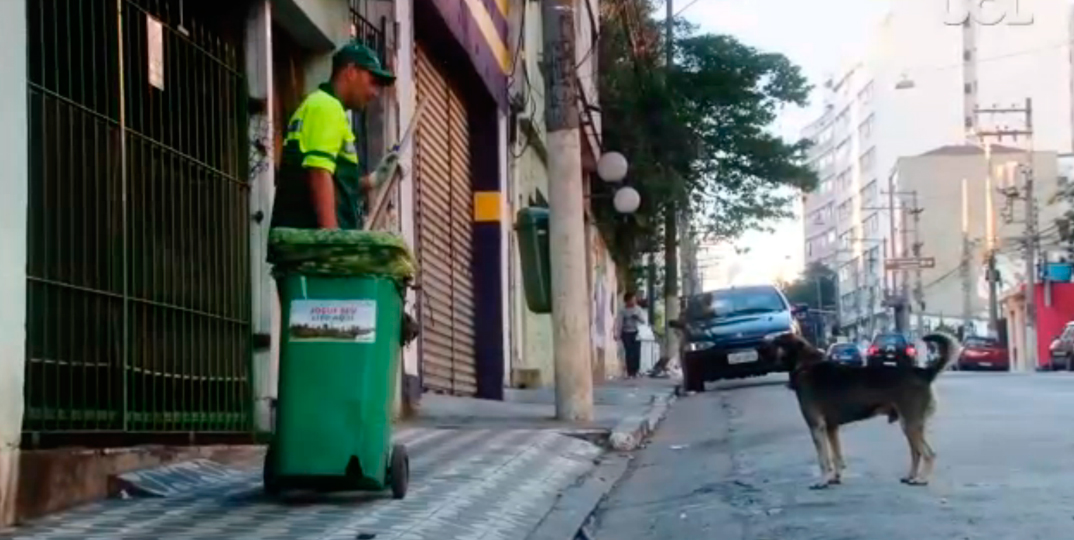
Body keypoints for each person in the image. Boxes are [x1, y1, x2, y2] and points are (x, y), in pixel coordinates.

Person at [271, 41, 399, 231]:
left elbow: (335, 182)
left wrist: (374, 180)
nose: (375, 93)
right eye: (372, 82)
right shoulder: (326, 107)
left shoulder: (326, 108)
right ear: (351, 71)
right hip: (313, 247)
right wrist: (332, 240)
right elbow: (319, 172)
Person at [616, 292, 648, 378]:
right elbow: (619, 322)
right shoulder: (622, 311)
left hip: (636, 332)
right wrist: (617, 333)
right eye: (631, 300)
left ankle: (636, 370)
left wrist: (637, 317)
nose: (633, 301)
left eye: (634, 299)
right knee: (629, 352)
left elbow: (644, 321)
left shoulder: (638, 309)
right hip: (626, 332)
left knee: (636, 352)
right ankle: (630, 371)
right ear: (627, 301)